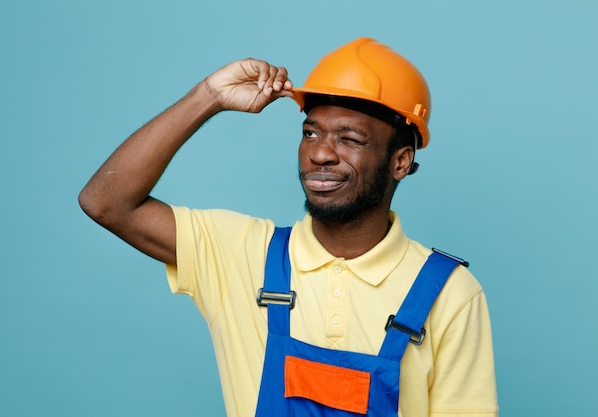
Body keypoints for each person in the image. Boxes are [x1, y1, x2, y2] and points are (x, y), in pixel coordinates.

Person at [79, 38, 498, 417]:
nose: (320, 154)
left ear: (401, 162)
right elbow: (106, 203)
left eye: (349, 139)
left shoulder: (449, 293)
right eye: (310, 132)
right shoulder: (240, 253)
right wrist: (207, 97)